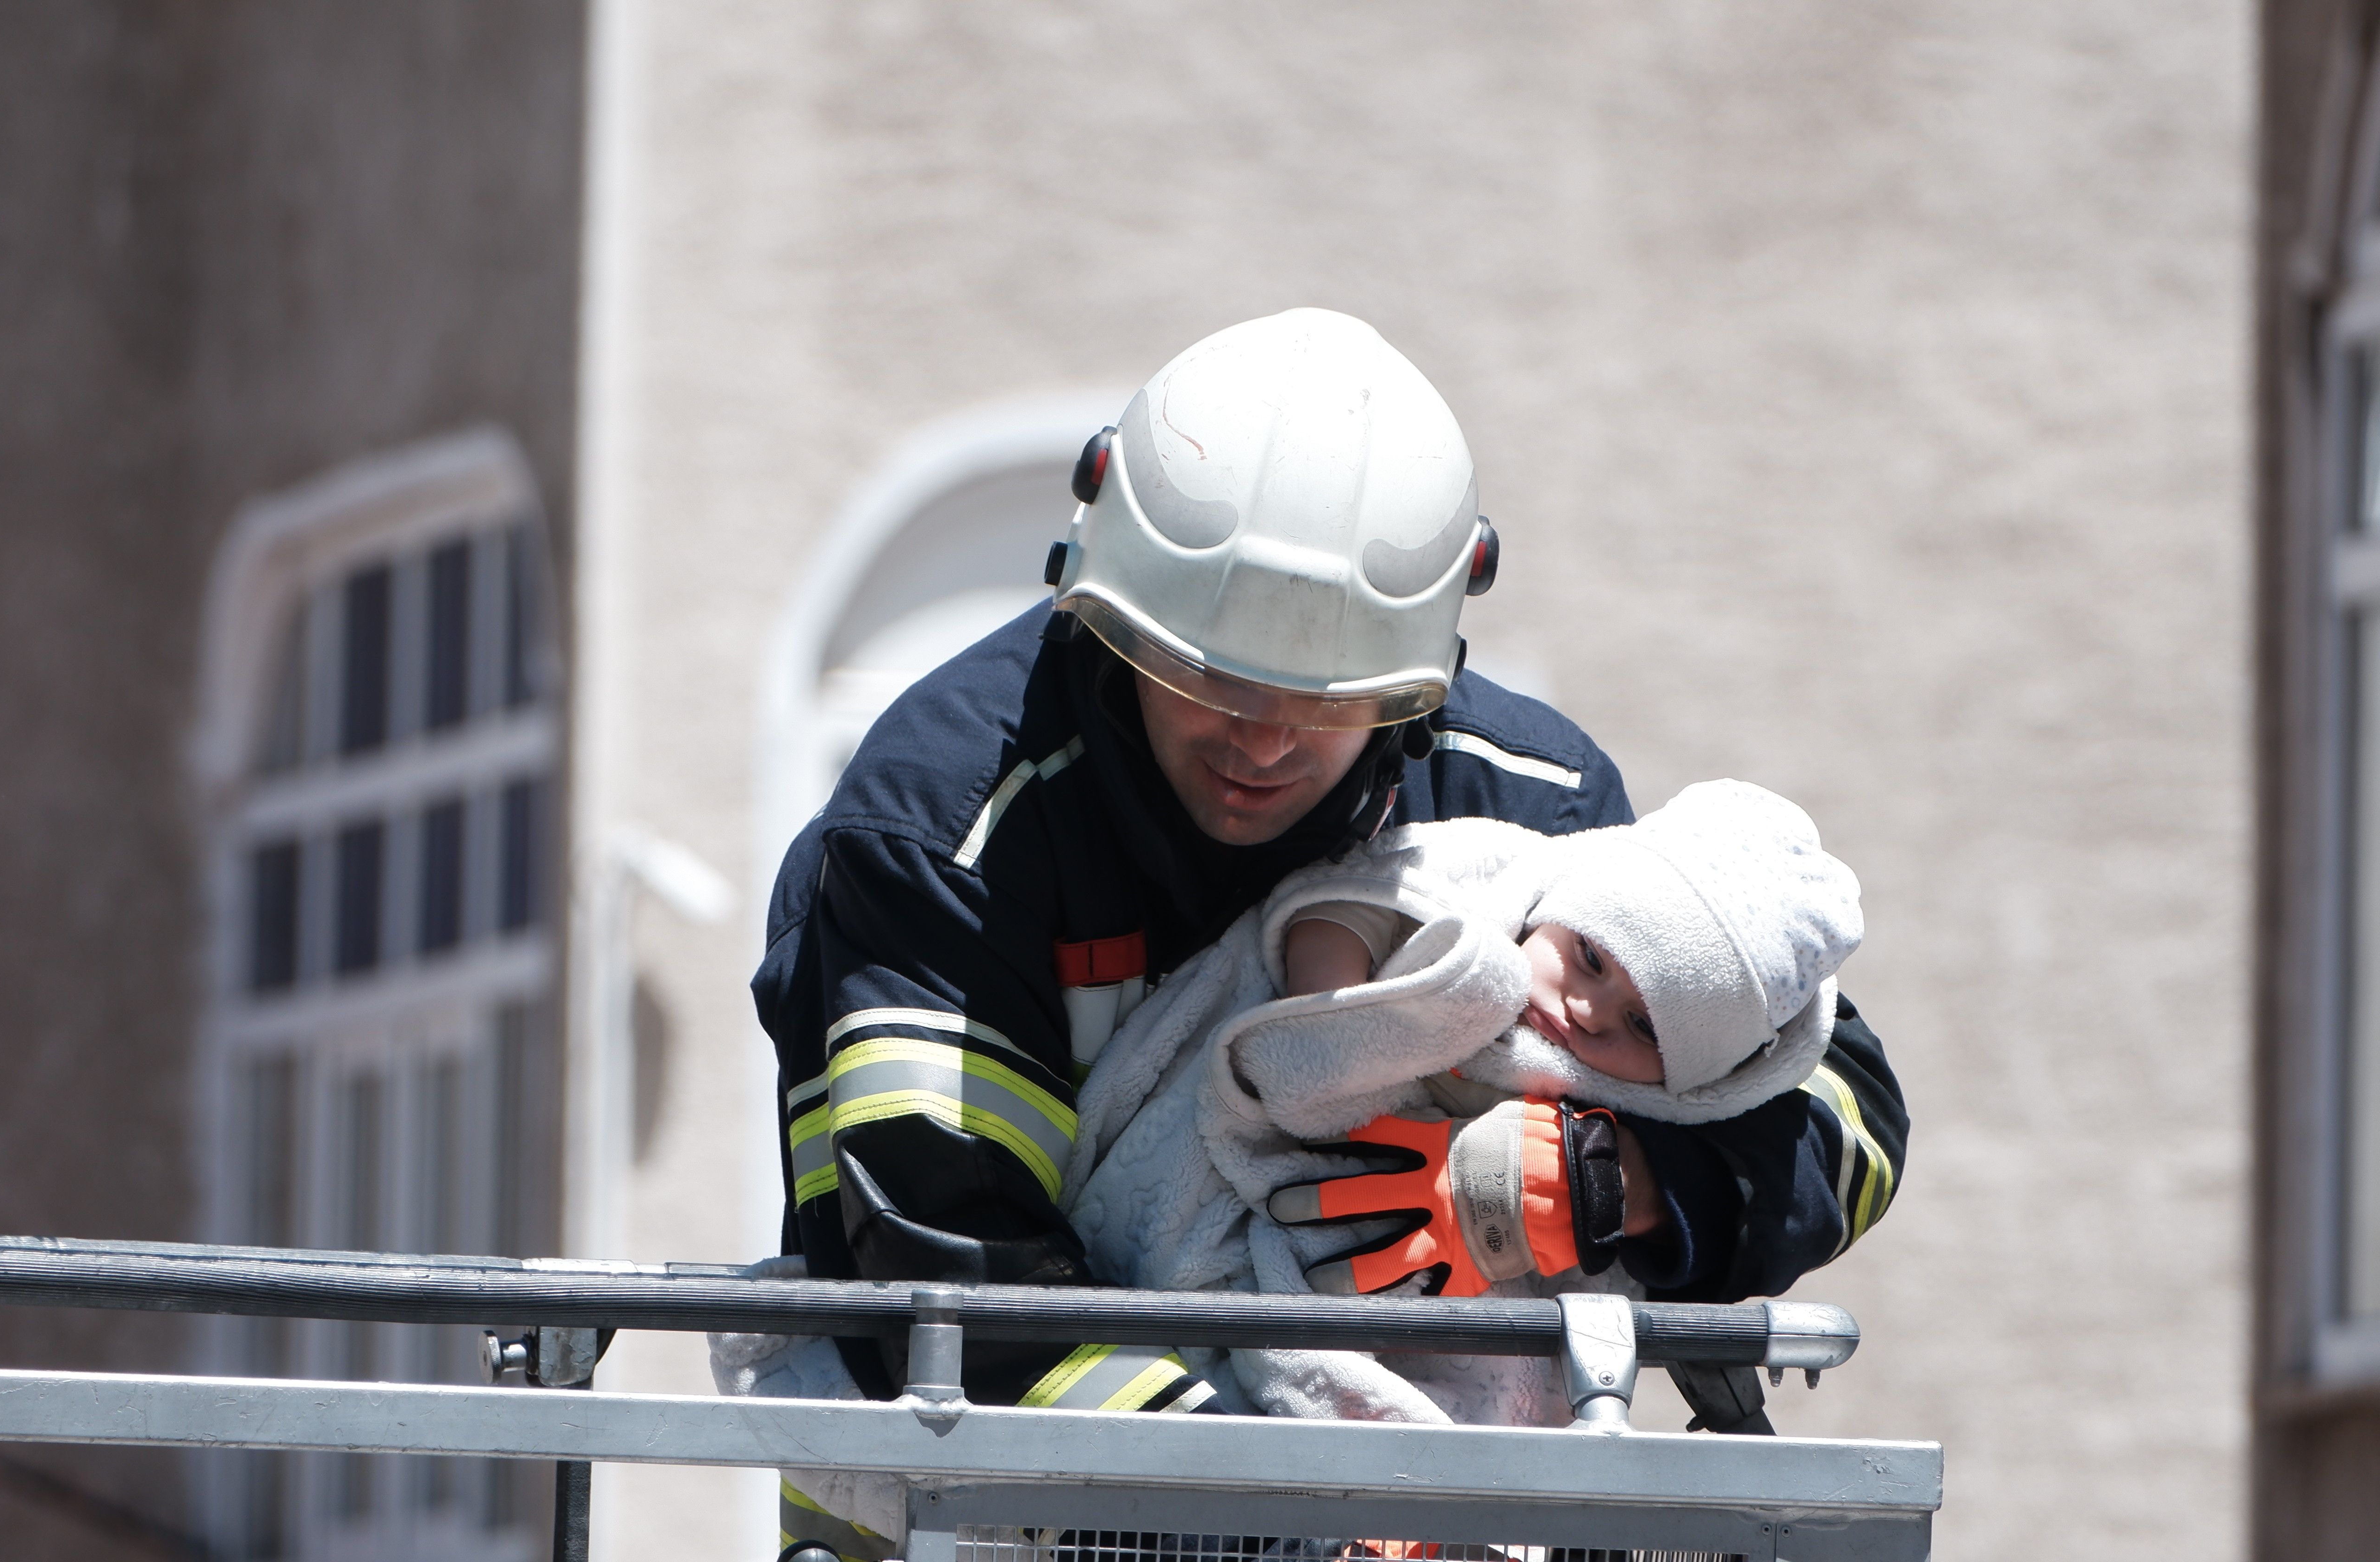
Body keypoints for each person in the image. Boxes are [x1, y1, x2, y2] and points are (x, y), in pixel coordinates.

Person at [748, 309, 1906, 1556]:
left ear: (1418, 678)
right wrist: (1290, 1520)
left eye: (1328, 704)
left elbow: (1835, 1110)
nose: (1259, 743)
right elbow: (948, 1282)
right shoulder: (942, 833)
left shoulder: (1526, 800)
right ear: (1112, 619)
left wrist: (1614, 1184)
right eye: (1210, 682)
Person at [1049, 779, 1865, 1428]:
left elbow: (1824, 1139)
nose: (1586, 1009)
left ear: (1686, 1077)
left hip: (1462, 1291)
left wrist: (1608, 1180)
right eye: (1589, 957)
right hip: (1267, 1174)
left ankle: (1430, 1514)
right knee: (1224, 1312)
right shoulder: (1493, 878)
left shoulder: (1547, 773)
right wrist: (1346, 1025)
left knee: (1488, 1386)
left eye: (1640, 1027)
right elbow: (1342, 901)